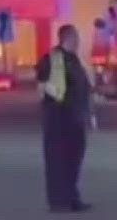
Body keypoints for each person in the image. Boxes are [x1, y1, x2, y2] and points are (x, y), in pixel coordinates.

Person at [35, 23, 93, 213]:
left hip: (75, 118)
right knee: (58, 160)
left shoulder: (73, 60)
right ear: (67, 38)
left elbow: (81, 88)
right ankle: (59, 201)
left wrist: (89, 114)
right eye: (76, 37)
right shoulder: (53, 58)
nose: (78, 41)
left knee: (73, 160)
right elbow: (42, 85)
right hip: (59, 120)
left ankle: (72, 197)